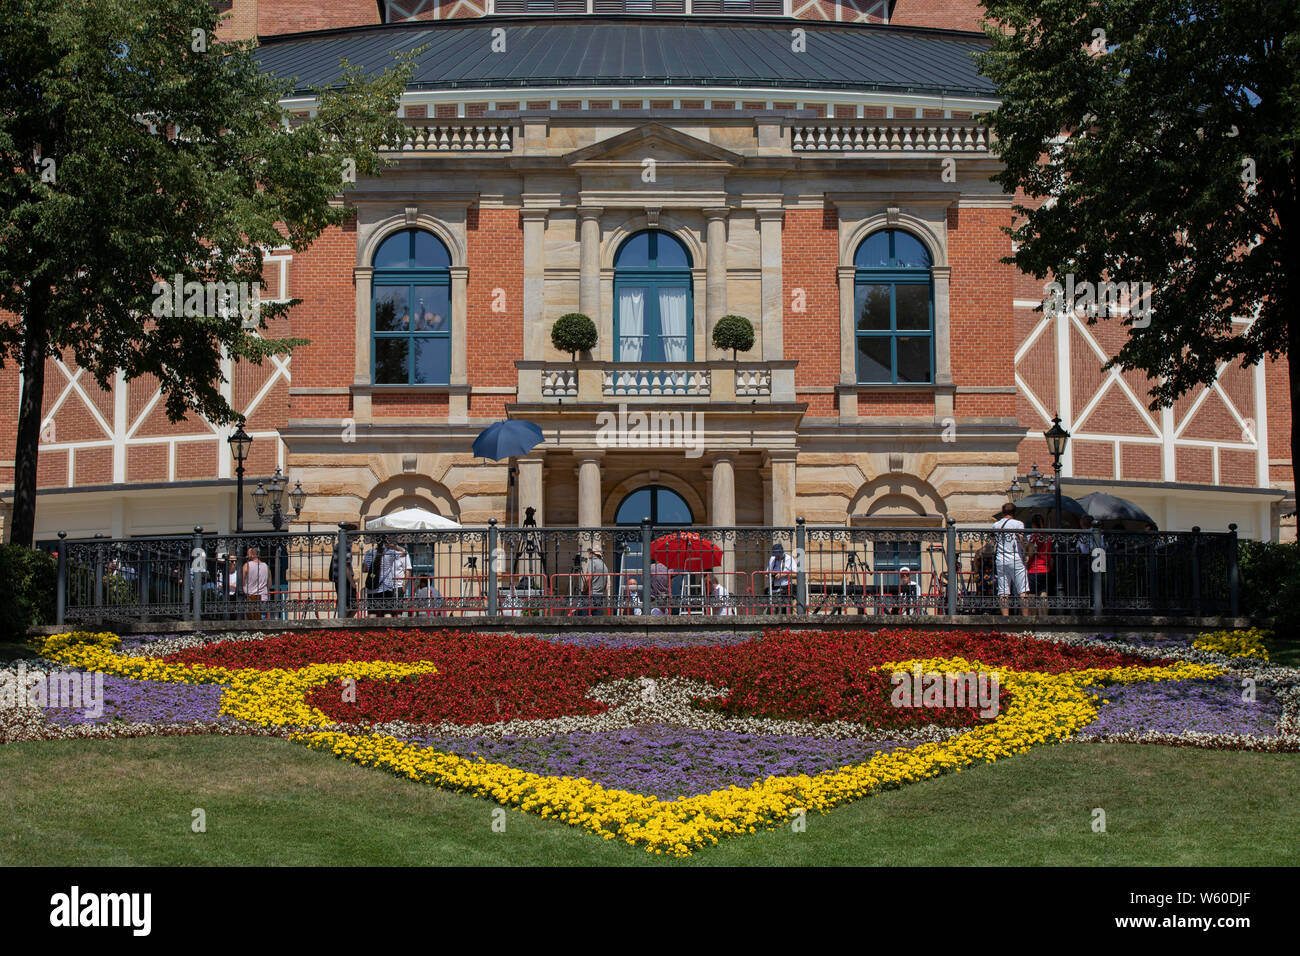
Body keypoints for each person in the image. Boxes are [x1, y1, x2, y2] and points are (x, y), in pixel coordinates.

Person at [992, 502, 1030, 616]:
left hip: (1001, 558)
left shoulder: (996, 525)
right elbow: (1021, 539)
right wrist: (1026, 553)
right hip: (1016, 558)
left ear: (1003, 512)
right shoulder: (1018, 524)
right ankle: (1025, 620)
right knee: (1022, 590)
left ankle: (1005, 619)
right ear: (1014, 512)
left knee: (1003, 591)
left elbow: (994, 542)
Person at [362, 535, 400, 617]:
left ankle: (371, 630)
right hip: (386, 586)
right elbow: (404, 553)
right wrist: (394, 546)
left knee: (372, 613)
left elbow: (364, 569)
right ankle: (389, 630)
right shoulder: (389, 553)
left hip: (372, 586)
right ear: (386, 542)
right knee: (387, 612)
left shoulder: (369, 553)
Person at [1025, 514, 1053, 616]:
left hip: (1034, 569)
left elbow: (1031, 554)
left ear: (1033, 525)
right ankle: (1044, 618)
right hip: (1046, 569)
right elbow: (1050, 556)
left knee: (1032, 596)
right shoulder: (1048, 537)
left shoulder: (1034, 537)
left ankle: (1033, 619)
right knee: (1044, 595)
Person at [766, 543, 796, 613]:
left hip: (785, 588)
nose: (776, 557)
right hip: (774, 589)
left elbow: (796, 574)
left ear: (782, 552)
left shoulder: (789, 559)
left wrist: (783, 574)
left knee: (785, 610)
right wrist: (771, 575)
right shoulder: (772, 559)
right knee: (772, 610)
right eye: (775, 555)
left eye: (777, 555)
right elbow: (767, 572)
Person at [242, 546, 269, 620]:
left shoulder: (246, 566)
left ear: (252, 554)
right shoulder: (266, 566)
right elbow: (269, 583)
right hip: (263, 597)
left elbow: (242, 582)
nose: (246, 556)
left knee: (250, 623)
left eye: (248, 554)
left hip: (250, 597)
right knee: (262, 620)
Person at [583, 546, 609, 615]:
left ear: (593, 553)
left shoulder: (592, 562)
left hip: (591, 594)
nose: (588, 553)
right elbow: (607, 584)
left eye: (589, 552)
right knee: (598, 618)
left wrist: (584, 589)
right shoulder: (604, 565)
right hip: (600, 595)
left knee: (583, 618)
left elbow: (588, 578)